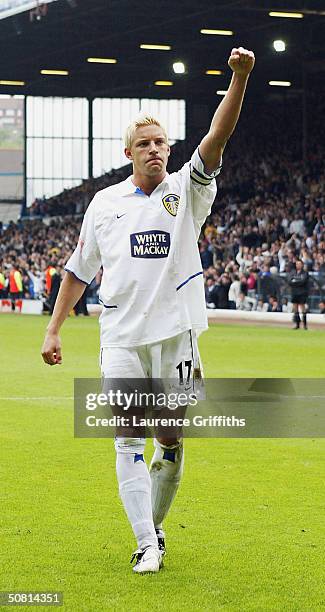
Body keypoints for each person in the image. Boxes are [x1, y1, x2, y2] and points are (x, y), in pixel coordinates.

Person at [41, 46, 255, 574]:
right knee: (127, 435)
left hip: (175, 336)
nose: (155, 149)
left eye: (161, 142)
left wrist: (240, 78)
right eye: (144, 143)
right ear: (129, 152)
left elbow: (217, 137)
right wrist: (54, 331)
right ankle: (146, 543)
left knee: (170, 439)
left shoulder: (187, 192)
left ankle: (154, 526)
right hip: (120, 338)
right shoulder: (105, 205)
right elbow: (77, 269)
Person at [288, 259, 309, 329]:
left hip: (302, 292)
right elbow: (289, 281)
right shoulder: (293, 272)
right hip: (294, 292)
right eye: (297, 264)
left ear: (302, 265)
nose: (298, 265)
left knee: (303, 308)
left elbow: (303, 281)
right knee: (295, 308)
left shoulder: (305, 273)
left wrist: (295, 282)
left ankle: (305, 325)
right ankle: (297, 324)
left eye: (299, 264)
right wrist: (297, 282)